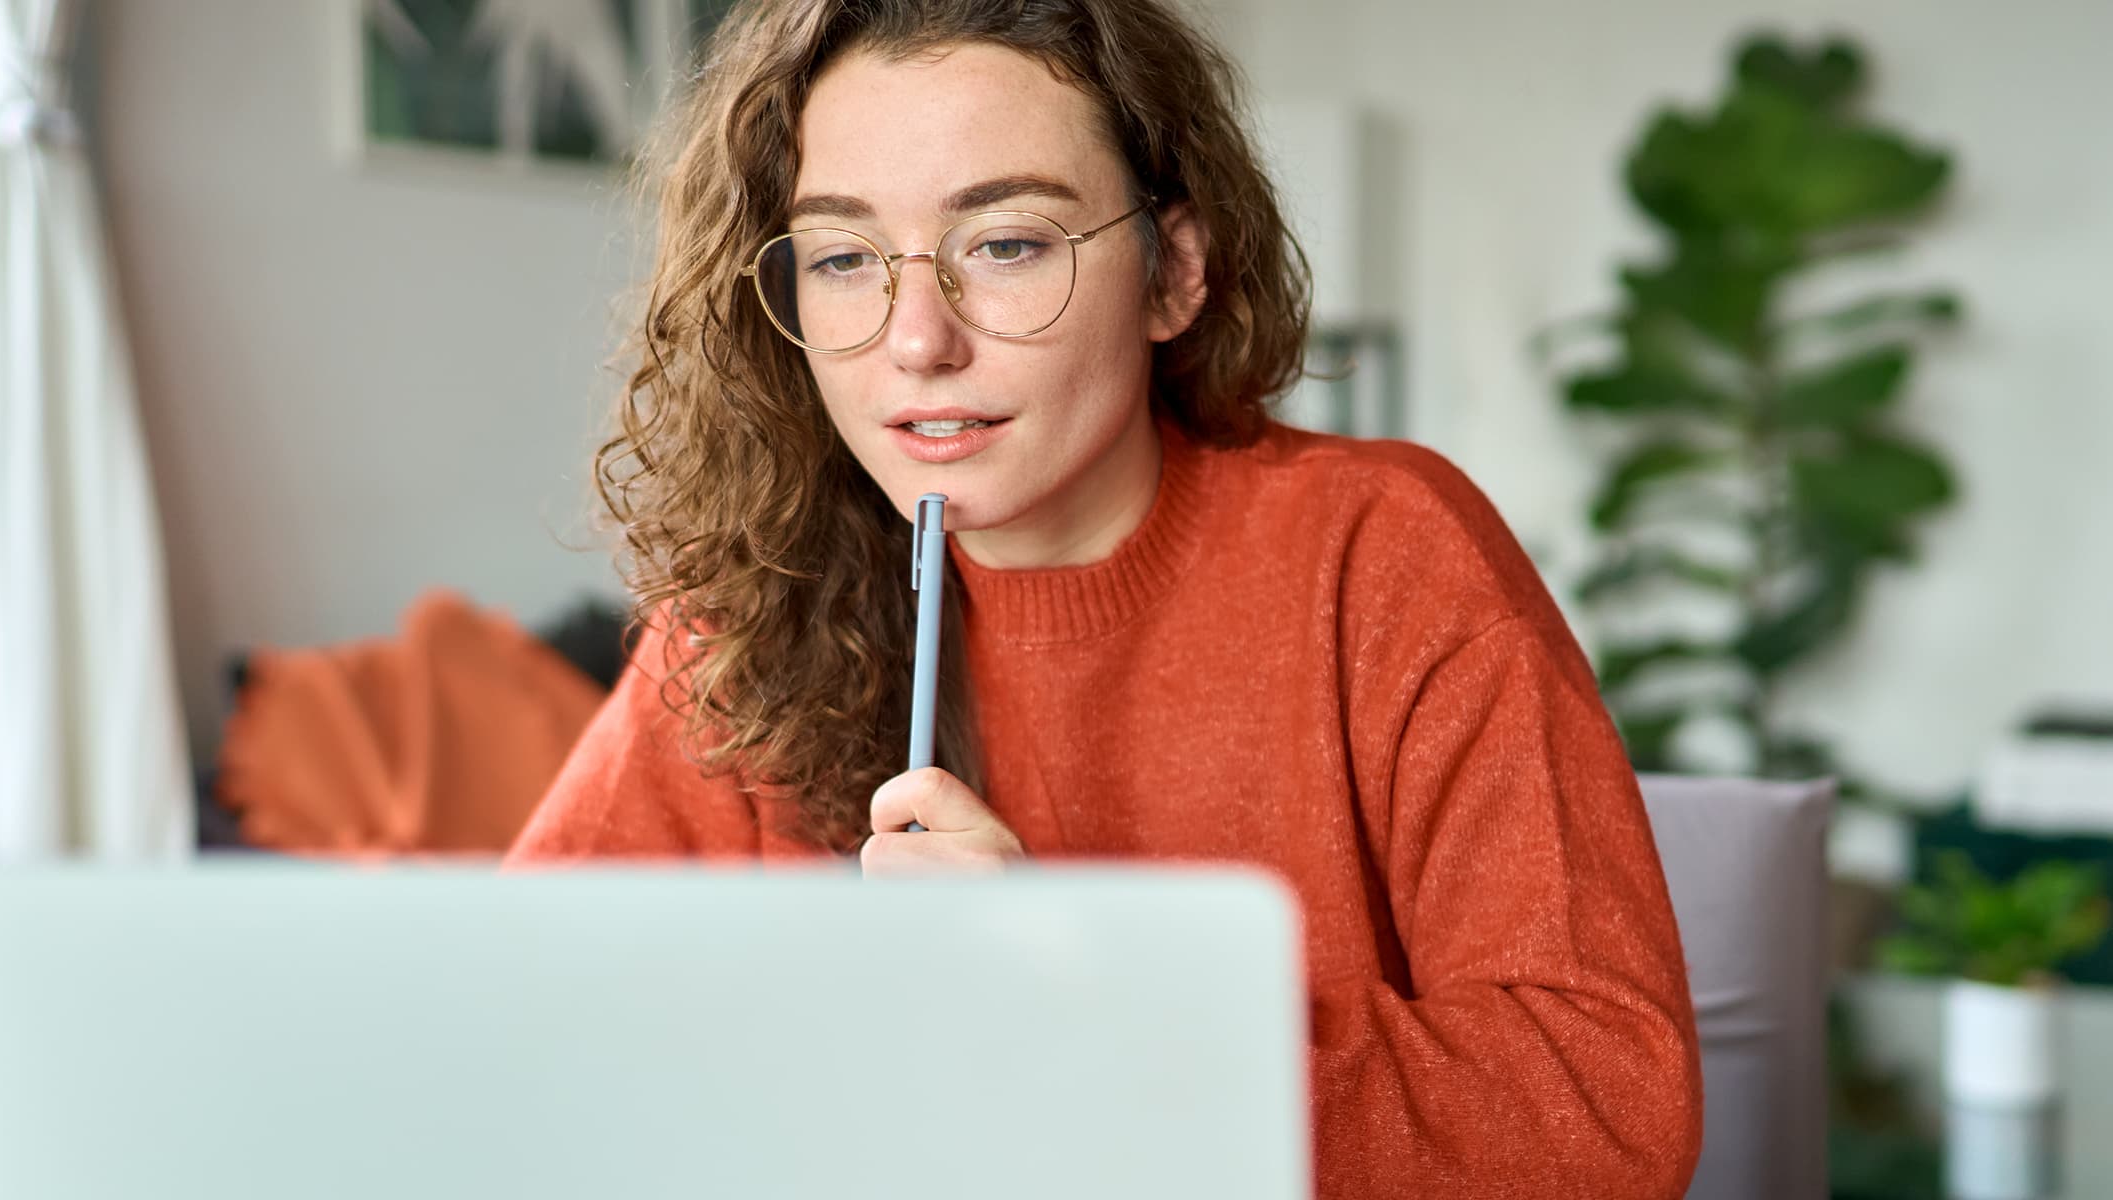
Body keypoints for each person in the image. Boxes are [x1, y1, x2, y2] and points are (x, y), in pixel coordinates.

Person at [507, 0, 1703, 1194]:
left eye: (1008, 243)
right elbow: (511, 1030)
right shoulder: (752, 610)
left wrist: (1099, 1010)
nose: (915, 341)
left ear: (1171, 273)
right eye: (842, 258)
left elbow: (1606, 1110)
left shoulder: (1383, 555)